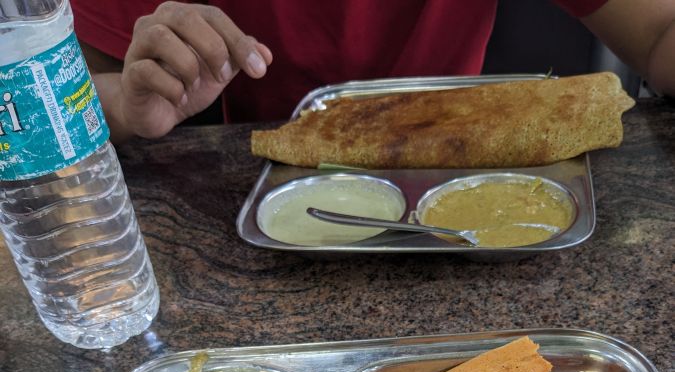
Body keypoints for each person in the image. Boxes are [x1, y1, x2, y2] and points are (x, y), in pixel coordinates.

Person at [71, 0, 675, 143]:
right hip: (257, 194)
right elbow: (44, 109)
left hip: (455, 152)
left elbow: (656, 34)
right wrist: (126, 102)